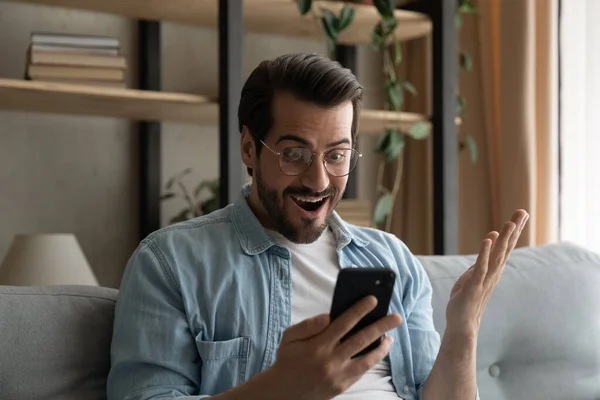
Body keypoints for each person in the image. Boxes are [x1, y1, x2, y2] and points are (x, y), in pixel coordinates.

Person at [107, 52, 529, 400]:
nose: (319, 180)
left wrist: (464, 327)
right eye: (295, 154)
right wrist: (281, 389)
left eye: (337, 155)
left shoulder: (391, 258)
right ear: (249, 148)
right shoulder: (171, 262)